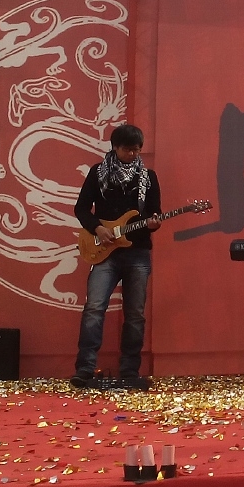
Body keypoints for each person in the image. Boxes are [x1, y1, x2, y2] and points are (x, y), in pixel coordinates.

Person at [72, 124, 162, 388]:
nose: (133, 154)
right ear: (115, 147)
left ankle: (130, 370)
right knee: (94, 308)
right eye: (127, 149)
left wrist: (154, 223)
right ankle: (85, 369)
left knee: (135, 314)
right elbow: (81, 209)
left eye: (137, 150)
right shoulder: (98, 173)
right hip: (104, 253)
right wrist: (98, 228)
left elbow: (154, 212)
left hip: (137, 252)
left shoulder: (148, 177)